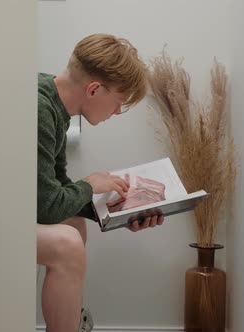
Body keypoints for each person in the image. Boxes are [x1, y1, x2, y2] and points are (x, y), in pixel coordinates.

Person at [37, 34, 165, 332]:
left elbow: (53, 189)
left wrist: (117, 211)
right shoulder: (40, 109)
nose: (117, 112)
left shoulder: (54, 106)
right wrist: (90, 183)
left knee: (73, 225)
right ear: (94, 89)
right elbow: (46, 206)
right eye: (119, 102)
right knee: (67, 242)